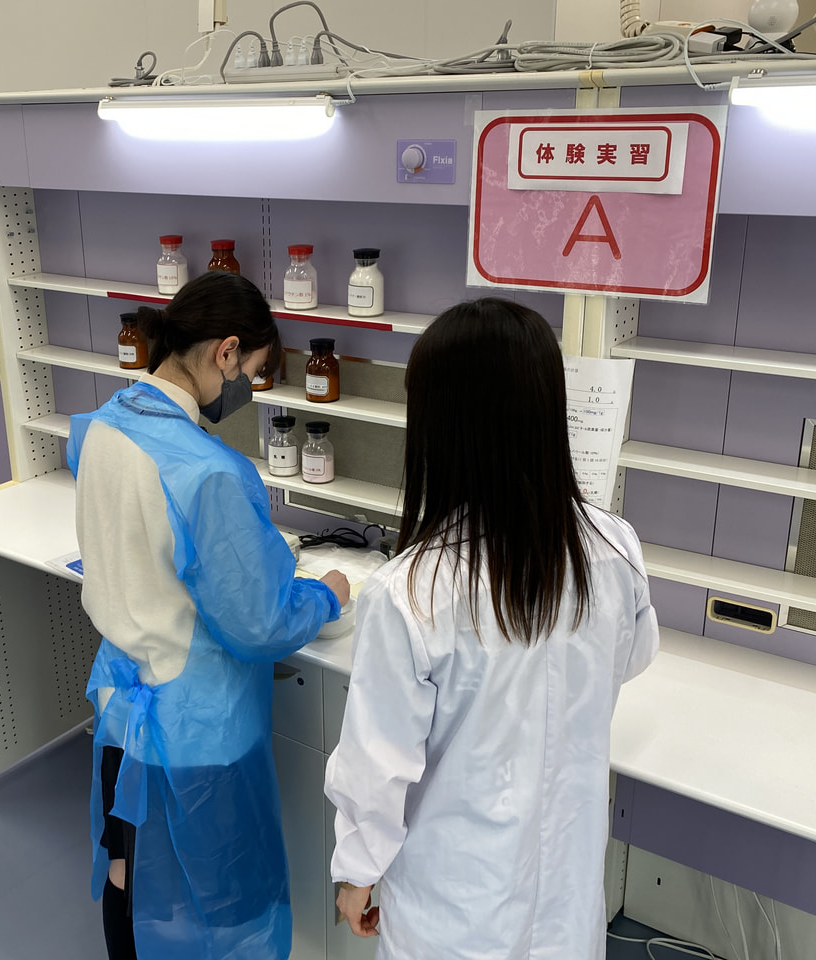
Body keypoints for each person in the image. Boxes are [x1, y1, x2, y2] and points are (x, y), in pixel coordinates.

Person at [324, 298, 659, 959]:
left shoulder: (411, 591)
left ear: (441, 425)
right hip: (565, 900)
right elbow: (632, 657)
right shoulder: (614, 547)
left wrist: (357, 874)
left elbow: (378, 766)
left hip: (455, 909)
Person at [67, 270, 351, 960]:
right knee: (222, 901)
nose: (247, 387)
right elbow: (259, 623)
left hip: (121, 706)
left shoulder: (102, 425)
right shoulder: (208, 471)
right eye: (251, 372)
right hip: (196, 726)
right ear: (226, 352)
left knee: (129, 868)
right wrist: (326, 595)